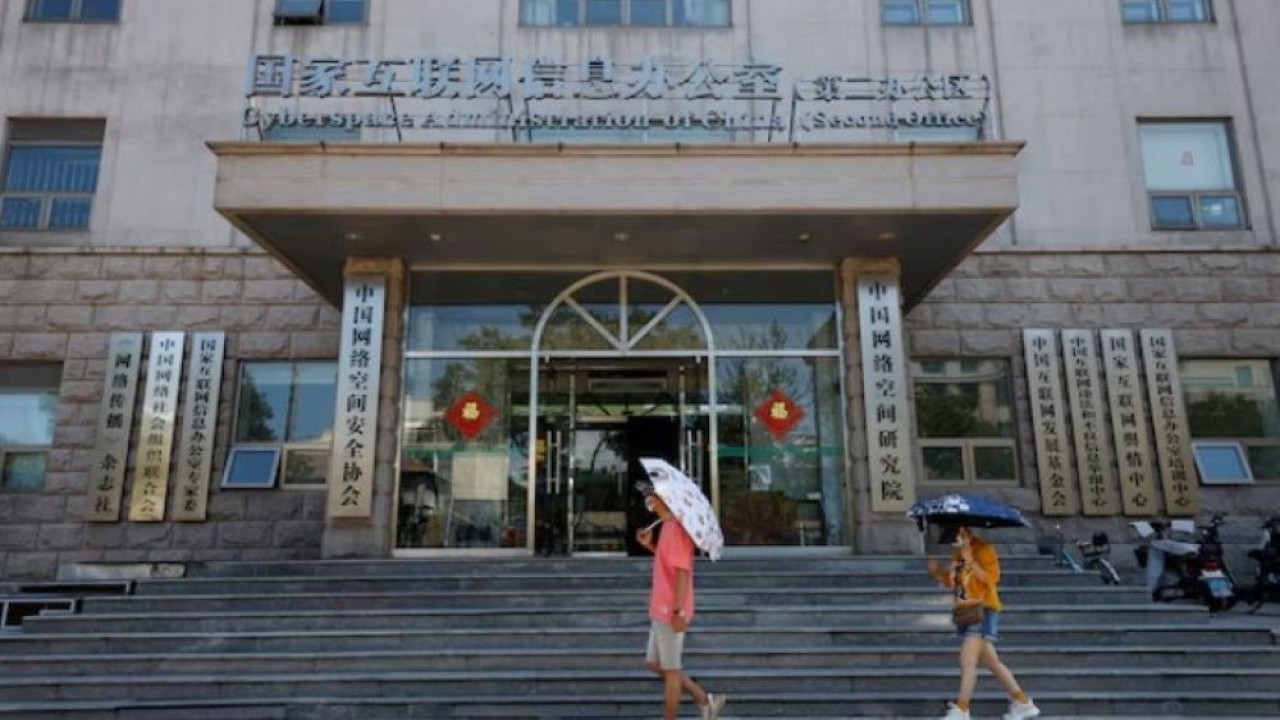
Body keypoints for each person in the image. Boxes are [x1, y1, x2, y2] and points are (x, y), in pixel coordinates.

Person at [927, 525, 1040, 720]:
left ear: (965, 533)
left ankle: (962, 708)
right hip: (966, 610)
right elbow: (956, 582)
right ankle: (1022, 703)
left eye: (956, 537)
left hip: (983, 609)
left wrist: (971, 561)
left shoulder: (984, 549)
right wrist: (937, 572)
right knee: (991, 661)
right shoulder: (958, 554)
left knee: (967, 659)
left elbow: (991, 579)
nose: (955, 542)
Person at [636, 482, 727, 720]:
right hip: (661, 607)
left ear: (664, 499)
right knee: (655, 664)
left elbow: (682, 572)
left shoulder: (676, 529)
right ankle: (703, 699)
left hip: (670, 609)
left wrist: (678, 612)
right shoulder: (666, 526)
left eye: (652, 498)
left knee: (672, 670)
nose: (649, 503)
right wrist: (651, 546)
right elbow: (668, 563)